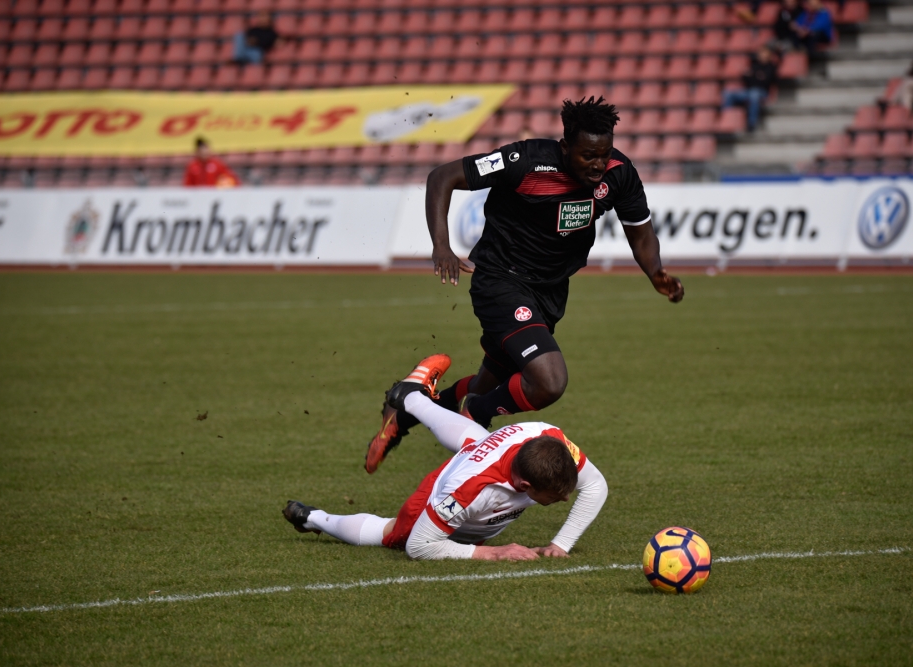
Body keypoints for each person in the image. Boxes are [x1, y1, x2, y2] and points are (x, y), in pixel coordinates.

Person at [364, 96, 683, 474]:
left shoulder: (618, 173)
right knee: (548, 381)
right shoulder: (525, 161)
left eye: (604, 153)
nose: (598, 165)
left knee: (486, 384)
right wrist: (442, 246)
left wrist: (656, 272)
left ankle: (404, 409)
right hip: (501, 280)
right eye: (587, 156)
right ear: (565, 147)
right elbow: (443, 177)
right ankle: (474, 414)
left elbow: (640, 232)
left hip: (550, 292)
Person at [283, 355, 608, 561]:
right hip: (445, 490)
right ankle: (314, 518)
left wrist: (561, 544)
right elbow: (420, 548)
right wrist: (493, 553)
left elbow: (595, 487)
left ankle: (411, 399)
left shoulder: (551, 439)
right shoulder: (467, 490)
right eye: (556, 496)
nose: (566, 499)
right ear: (524, 484)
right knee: (392, 535)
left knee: (477, 441)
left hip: (484, 456)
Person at [723, 45, 779, 132]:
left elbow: (767, 81)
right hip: (748, 91)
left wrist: (753, 76)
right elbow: (746, 78)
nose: (762, 55)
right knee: (728, 93)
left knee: (754, 94)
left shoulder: (771, 67)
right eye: (761, 53)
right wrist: (756, 76)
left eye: (765, 53)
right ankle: (727, 121)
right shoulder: (754, 65)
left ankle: (751, 124)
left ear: (769, 55)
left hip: (762, 92)